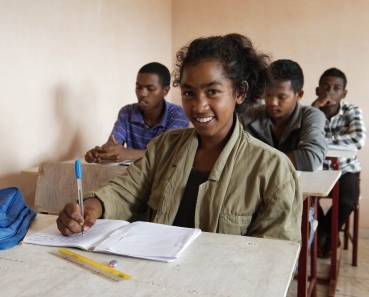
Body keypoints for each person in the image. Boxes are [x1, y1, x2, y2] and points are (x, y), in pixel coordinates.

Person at [58, 34, 302, 242]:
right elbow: (127, 190)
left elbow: (272, 256)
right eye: (188, 93)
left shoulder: (273, 170)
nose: (199, 106)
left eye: (213, 92)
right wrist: (91, 208)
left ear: (240, 92)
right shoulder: (164, 147)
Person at [84, 62, 189, 163]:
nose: (142, 93)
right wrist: (100, 153)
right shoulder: (126, 113)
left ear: (165, 91)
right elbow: (113, 144)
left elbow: (168, 152)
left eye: (150, 89)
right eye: (138, 87)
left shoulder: (178, 114)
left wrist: (128, 153)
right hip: (133, 178)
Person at [312, 68, 366, 257]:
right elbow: (301, 140)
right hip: (316, 169)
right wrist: (316, 109)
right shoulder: (310, 111)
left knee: (347, 200)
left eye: (336, 88)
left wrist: (322, 142)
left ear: (344, 93)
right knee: (306, 200)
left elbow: (358, 140)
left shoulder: (352, 111)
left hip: (346, 169)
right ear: (317, 90)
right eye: (325, 87)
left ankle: (325, 233)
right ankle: (320, 233)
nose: (330, 92)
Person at [239, 59, 327, 171]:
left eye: (282, 97)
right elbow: (236, 156)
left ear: (299, 95)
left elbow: (311, 158)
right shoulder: (249, 117)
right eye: (268, 94)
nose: (272, 102)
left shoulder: (312, 116)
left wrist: (259, 162)